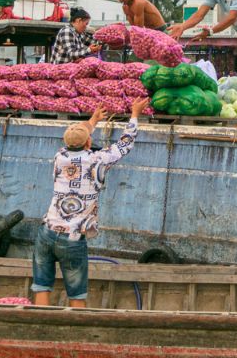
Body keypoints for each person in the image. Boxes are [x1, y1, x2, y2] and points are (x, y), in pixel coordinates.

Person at [32, 98, 149, 308]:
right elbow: (124, 144)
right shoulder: (98, 161)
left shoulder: (60, 156)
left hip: (46, 232)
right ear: (88, 143)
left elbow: (77, 137)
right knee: (76, 292)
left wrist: (93, 120)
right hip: (72, 237)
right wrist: (134, 114)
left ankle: (41, 324)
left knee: (42, 285)